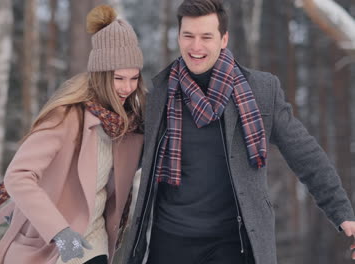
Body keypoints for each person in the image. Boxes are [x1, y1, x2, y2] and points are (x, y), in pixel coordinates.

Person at [120, 0, 355, 263]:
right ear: (179, 37)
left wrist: (342, 212)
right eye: (188, 36)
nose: (196, 46)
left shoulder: (260, 92)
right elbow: (119, 162)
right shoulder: (158, 98)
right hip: (172, 243)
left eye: (206, 37)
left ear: (224, 39)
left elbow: (306, 154)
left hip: (235, 244)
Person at [0, 5, 145, 264]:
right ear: (101, 76)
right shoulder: (67, 118)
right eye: (118, 78)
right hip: (52, 245)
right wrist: (60, 232)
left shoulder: (129, 126)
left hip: (94, 242)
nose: (127, 88)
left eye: (134, 78)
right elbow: (18, 176)